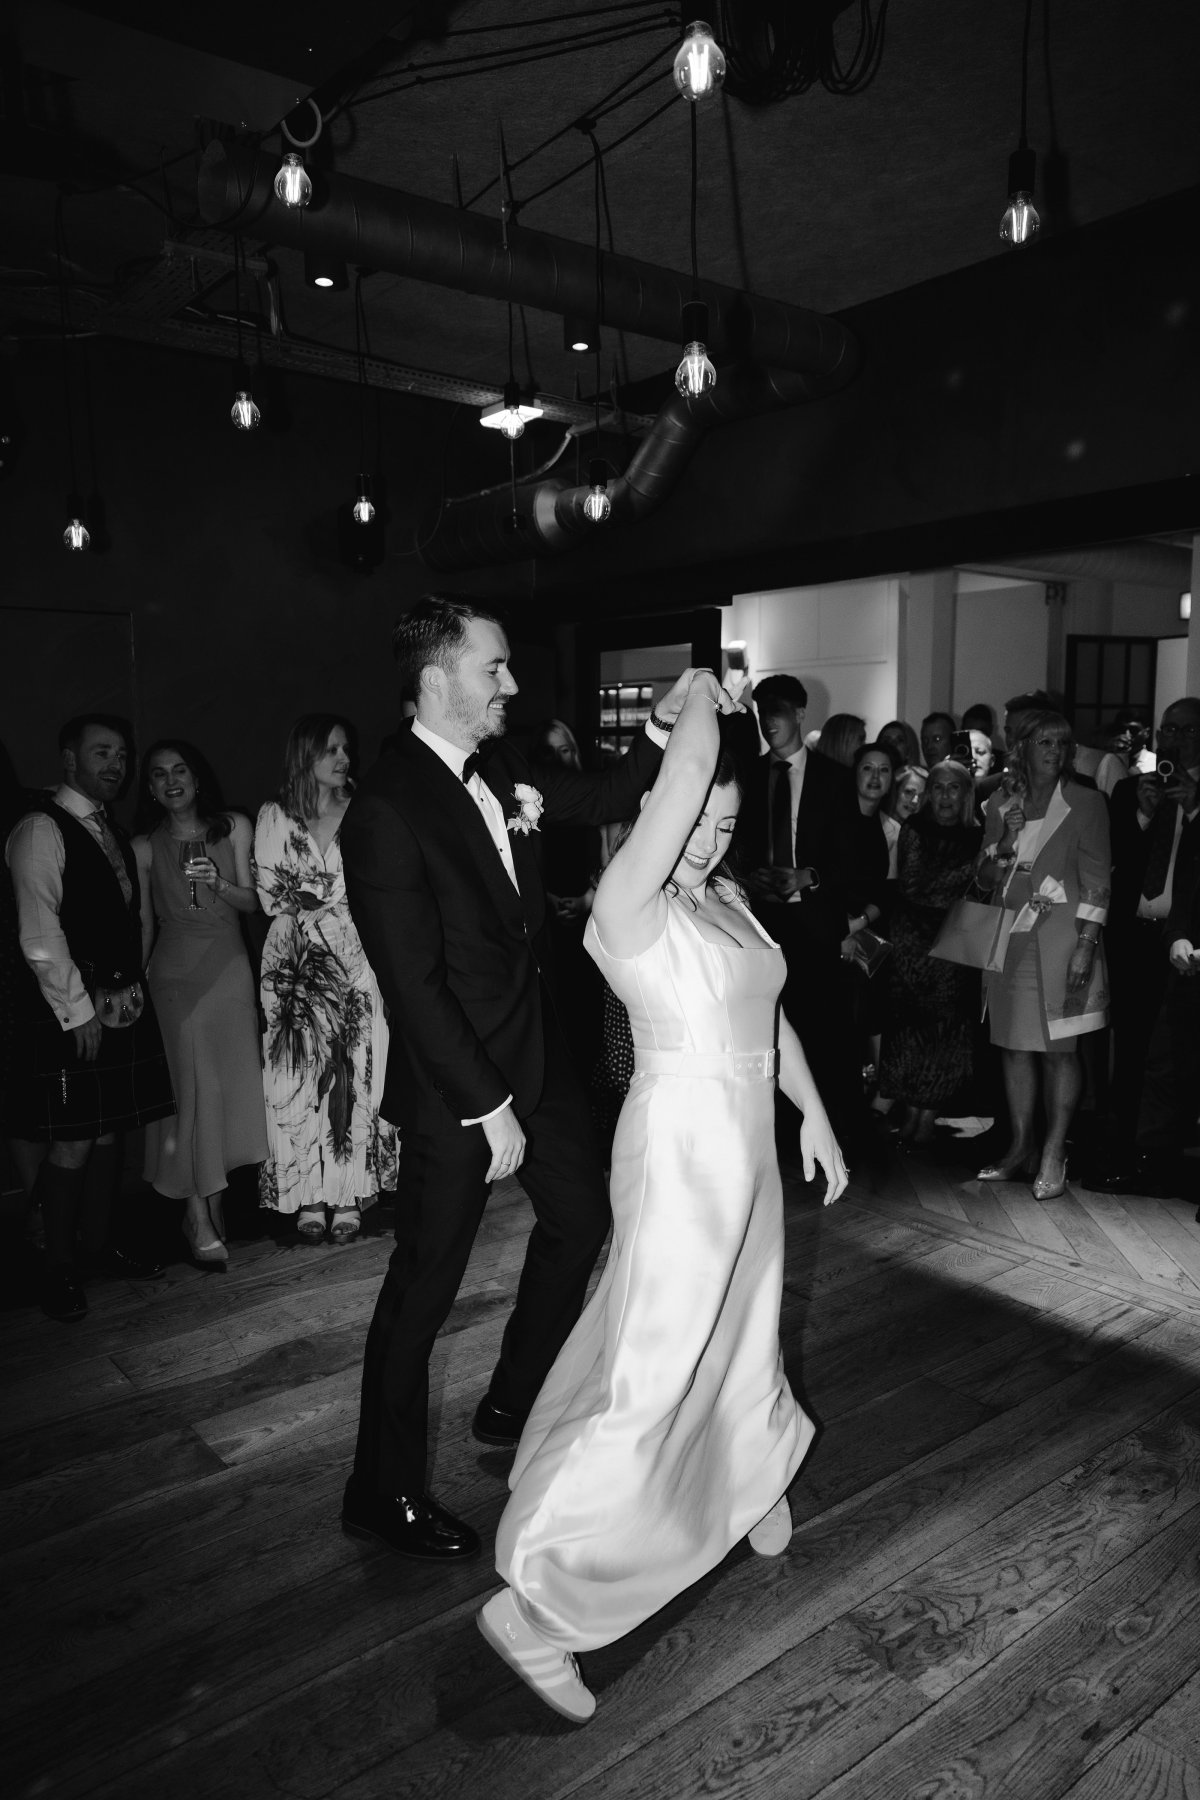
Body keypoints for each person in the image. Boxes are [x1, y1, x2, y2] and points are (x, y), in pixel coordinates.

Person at [478, 672, 847, 1722]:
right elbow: (682, 777)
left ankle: (749, 1474)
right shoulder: (627, 908)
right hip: (682, 1149)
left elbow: (768, 1018)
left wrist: (814, 1114)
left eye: (726, 827)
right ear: (655, 812)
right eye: (694, 823)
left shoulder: (724, 899)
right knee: (655, 1366)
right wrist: (693, 703)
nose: (707, 842)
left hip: (748, 1150)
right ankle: (537, 1605)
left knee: (744, 1329)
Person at [337, 596, 685, 1561]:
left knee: (582, 1218)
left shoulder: (504, 765)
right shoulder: (384, 810)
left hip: (540, 1057)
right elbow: (413, 986)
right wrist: (485, 1105)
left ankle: (513, 1399)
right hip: (457, 1086)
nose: (513, 684)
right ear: (435, 680)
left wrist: (663, 727)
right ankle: (380, 1492)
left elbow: (607, 796)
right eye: (494, 669)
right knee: (423, 1290)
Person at [4, 714, 173, 1320]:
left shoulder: (107, 827)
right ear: (68, 758)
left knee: (107, 1130)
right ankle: (58, 1268)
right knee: (73, 1140)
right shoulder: (39, 829)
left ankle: (99, 1247)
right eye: (102, 753)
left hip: (115, 1008)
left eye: (122, 755)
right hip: (67, 1014)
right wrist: (76, 1014)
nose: (116, 765)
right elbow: (39, 931)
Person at [255, 715, 398, 1245]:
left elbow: (382, 881)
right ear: (304, 755)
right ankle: (306, 1196)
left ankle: (347, 1194)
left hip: (357, 955)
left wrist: (319, 900)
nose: (344, 758)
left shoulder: (365, 809)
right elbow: (272, 893)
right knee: (293, 1078)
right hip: (293, 962)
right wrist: (322, 900)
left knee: (355, 1074)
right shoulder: (274, 816)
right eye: (331, 749)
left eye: (346, 748)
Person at [133, 740, 267, 1270]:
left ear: (196, 777)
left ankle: (211, 1198)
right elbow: (145, 924)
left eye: (179, 770)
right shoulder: (144, 846)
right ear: (150, 787)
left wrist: (220, 883)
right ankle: (196, 1214)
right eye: (159, 774)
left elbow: (253, 902)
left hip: (229, 968)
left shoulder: (233, 827)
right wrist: (134, 981)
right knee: (191, 1090)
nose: (171, 781)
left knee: (225, 1091)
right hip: (173, 976)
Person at [973, 711, 1111, 1199]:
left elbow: (1098, 880)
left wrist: (1086, 946)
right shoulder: (999, 801)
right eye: (1045, 742)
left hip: (1063, 940)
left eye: (1062, 742)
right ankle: (1020, 1148)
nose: (1055, 750)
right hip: (1010, 937)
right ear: (1024, 748)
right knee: (1013, 1046)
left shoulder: (1086, 802)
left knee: (1059, 1050)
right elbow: (983, 878)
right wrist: (1005, 841)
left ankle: (1054, 1152)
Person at [737, 673, 864, 1147]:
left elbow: (852, 859)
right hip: (759, 923)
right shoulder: (748, 774)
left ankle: (825, 1129)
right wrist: (748, 877)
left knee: (820, 1030)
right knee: (763, 1027)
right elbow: (734, 844)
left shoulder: (834, 777)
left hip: (814, 924)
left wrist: (807, 877)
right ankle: (772, 1133)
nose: (767, 722)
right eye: (760, 712)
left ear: (799, 714)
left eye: (776, 712)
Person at [1090, 696, 1200, 1192]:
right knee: (1131, 1046)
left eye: (1186, 730)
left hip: (1184, 945)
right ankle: (1124, 1150)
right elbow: (1116, 859)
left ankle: (1160, 1157)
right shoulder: (1131, 789)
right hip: (1134, 936)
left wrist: (1193, 807)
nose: (1173, 738)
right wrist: (1144, 813)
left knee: (1173, 1056)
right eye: (1167, 729)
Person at [877, 760, 983, 1143]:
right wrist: (973, 870)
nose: (945, 795)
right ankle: (910, 1116)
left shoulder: (978, 835)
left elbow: (977, 890)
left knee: (946, 1037)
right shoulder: (914, 828)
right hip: (911, 949)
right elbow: (916, 887)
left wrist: (974, 872)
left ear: (966, 794)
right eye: (938, 787)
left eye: (954, 787)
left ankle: (926, 1121)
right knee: (907, 1035)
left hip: (955, 949)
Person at [528, 719, 603, 1082]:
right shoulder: (528, 809)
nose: (559, 759)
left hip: (593, 920)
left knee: (589, 1012)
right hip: (544, 923)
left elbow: (611, 861)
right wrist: (545, 899)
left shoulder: (594, 801)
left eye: (565, 750)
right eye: (549, 752)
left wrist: (589, 900)